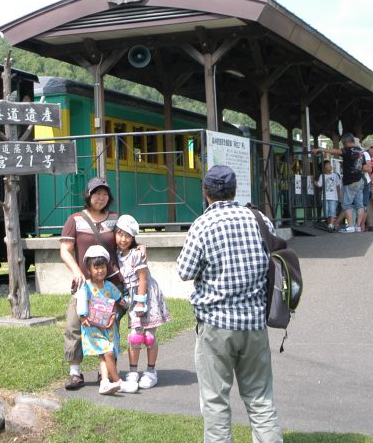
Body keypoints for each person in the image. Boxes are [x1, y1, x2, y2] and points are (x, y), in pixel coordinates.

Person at [177, 165, 282, 443]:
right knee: (260, 398)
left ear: (205, 192)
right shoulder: (259, 219)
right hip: (255, 324)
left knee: (215, 401)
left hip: (216, 325)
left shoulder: (202, 225)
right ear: (235, 190)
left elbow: (185, 271)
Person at [59, 176, 121, 390]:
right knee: (75, 325)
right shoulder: (75, 220)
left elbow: (126, 241)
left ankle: (107, 371)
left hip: (110, 284)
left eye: (104, 193)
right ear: (88, 195)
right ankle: (75, 373)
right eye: (96, 193)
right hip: (85, 287)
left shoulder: (115, 218)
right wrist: (78, 273)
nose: (101, 197)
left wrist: (139, 247)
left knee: (109, 327)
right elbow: (65, 250)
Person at [115, 214, 171, 392]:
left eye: (128, 236)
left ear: (133, 238)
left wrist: (140, 302)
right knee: (135, 336)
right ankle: (133, 372)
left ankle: (151, 371)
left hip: (146, 296)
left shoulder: (136, 255)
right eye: (120, 234)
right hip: (132, 297)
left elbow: (143, 278)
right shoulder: (116, 255)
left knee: (149, 336)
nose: (123, 239)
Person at [74, 245, 126, 395]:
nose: (100, 270)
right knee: (108, 352)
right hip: (93, 327)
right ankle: (117, 381)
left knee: (105, 355)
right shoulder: (86, 287)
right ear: (89, 269)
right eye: (96, 268)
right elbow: (80, 303)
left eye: (102, 267)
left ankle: (104, 382)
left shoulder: (109, 286)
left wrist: (114, 314)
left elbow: (117, 302)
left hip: (108, 327)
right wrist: (83, 317)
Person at [315, 133, 367, 233]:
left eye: (343, 144)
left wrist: (322, 150)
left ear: (346, 143)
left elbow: (335, 151)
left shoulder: (347, 150)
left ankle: (351, 226)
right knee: (359, 205)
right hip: (360, 180)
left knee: (347, 205)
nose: (343, 146)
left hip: (350, 181)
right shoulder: (361, 152)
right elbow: (364, 167)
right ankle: (358, 226)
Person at [315, 159, 340, 231]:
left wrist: (339, 195)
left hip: (333, 197)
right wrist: (312, 180)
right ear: (324, 167)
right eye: (328, 164)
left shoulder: (335, 175)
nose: (330, 166)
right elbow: (319, 184)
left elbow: (338, 186)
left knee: (332, 211)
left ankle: (331, 224)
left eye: (330, 164)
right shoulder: (322, 176)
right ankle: (331, 224)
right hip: (325, 197)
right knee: (326, 212)